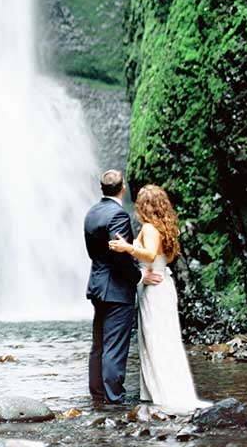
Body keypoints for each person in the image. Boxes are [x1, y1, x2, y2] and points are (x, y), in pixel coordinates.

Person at [108, 184, 211, 414]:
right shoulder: (165, 227)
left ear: (144, 206)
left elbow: (150, 254)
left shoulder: (149, 228)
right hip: (162, 282)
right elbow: (164, 258)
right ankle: (161, 391)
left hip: (154, 290)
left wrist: (126, 247)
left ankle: (164, 393)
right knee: (166, 338)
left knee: (157, 339)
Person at [83, 170, 162, 405]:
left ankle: (97, 393)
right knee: (115, 345)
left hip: (97, 285)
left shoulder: (91, 213)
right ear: (123, 188)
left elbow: (93, 252)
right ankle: (113, 396)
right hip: (116, 288)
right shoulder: (118, 215)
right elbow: (120, 255)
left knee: (99, 343)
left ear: (101, 188)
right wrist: (138, 277)